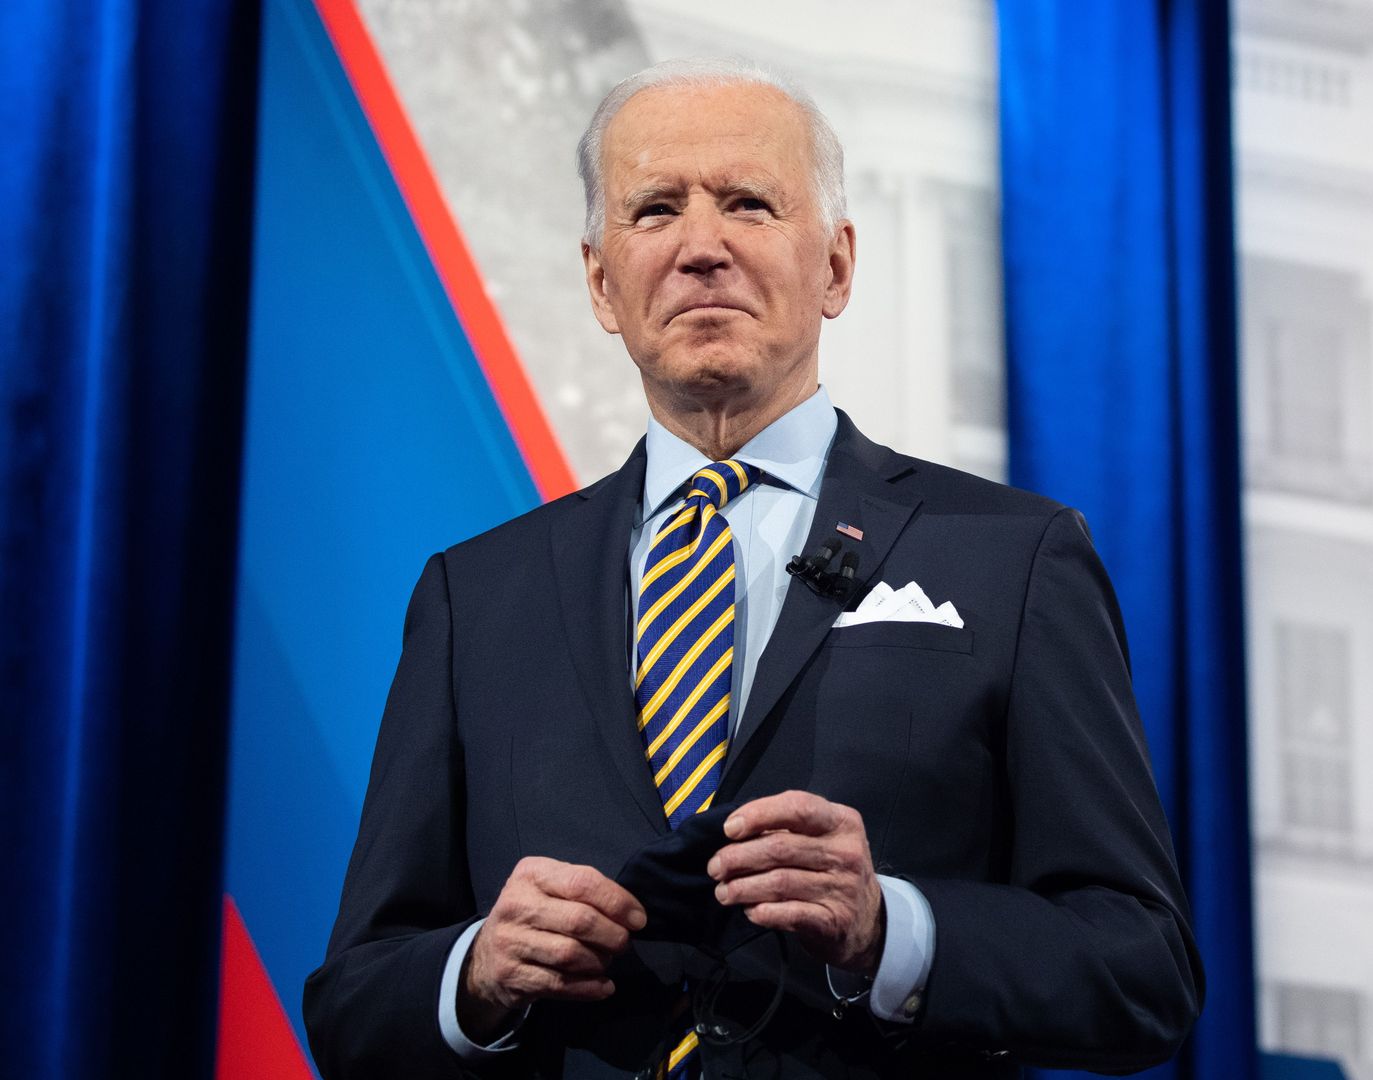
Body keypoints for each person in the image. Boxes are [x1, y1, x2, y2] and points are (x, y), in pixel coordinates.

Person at [303, 58, 1201, 1079]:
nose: (701, 248)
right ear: (602, 282)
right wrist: (476, 973)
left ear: (836, 267)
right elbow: (353, 1008)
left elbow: (1142, 968)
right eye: (654, 210)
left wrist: (888, 929)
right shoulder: (477, 595)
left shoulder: (1015, 560)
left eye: (746, 203)